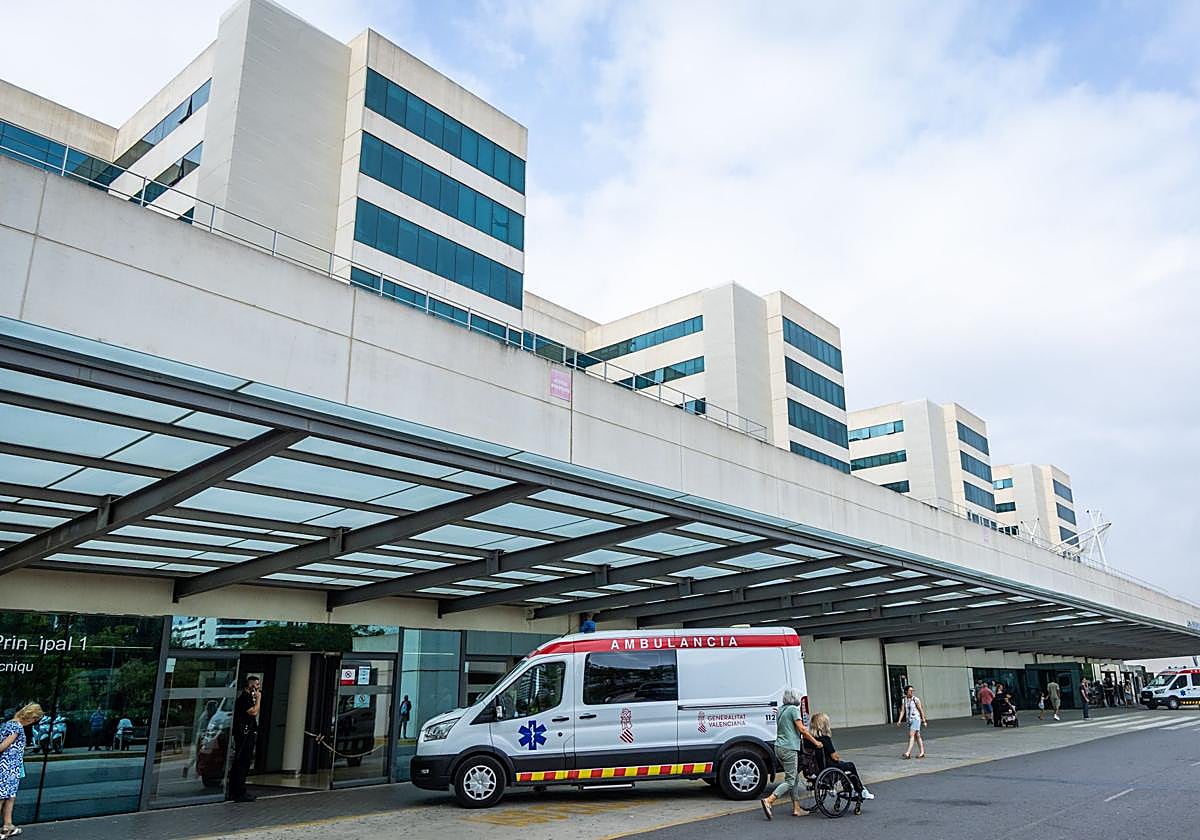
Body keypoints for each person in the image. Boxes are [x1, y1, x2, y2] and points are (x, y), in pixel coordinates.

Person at [804, 712, 873, 807]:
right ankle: (860, 790)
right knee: (850, 766)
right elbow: (835, 757)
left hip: (816, 769)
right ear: (824, 725)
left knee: (844, 766)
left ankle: (849, 789)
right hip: (828, 767)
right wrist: (837, 758)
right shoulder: (824, 739)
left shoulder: (808, 740)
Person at [760, 687, 810, 819]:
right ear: (795, 698)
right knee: (790, 780)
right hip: (789, 748)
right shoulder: (793, 710)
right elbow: (802, 729)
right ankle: (769, 800)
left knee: (794, 778)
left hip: (778, 747)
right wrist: (816, 742)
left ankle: (797, 808)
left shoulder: (781, 709)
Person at [0, 703, 43, 838]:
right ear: (31, 717)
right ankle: (7, 826)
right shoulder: (17, 727)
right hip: (7, 767)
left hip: (12, 767)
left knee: (10, 796)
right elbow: (2, 747)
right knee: (2, 797)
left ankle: (8, 825)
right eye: (35, 719)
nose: (33, 722)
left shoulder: (8, 724)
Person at [227, 675, 262, 803]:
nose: (258, 688)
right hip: (244, 734)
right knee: (242, 762)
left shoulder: (247, 698)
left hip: (247, 733)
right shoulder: (245, 698)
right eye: (256, 685)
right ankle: (238, 791)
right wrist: (258, 700)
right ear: (251, 686)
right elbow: (253, 712)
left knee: (243, 762)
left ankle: (237, 790)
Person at [896, 685, 927, 759]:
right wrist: (899, 720)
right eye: (910, 690)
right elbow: (903, 710)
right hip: (909, 720)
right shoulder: (904, 700)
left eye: (912, 691)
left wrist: (924, 720)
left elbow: (920, 709)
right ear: (906, 691)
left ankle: (908, 753)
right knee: (917, 736)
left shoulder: (915, 699)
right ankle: (922, 752)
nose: (912, 692)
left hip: (916, 719)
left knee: (911, 735)